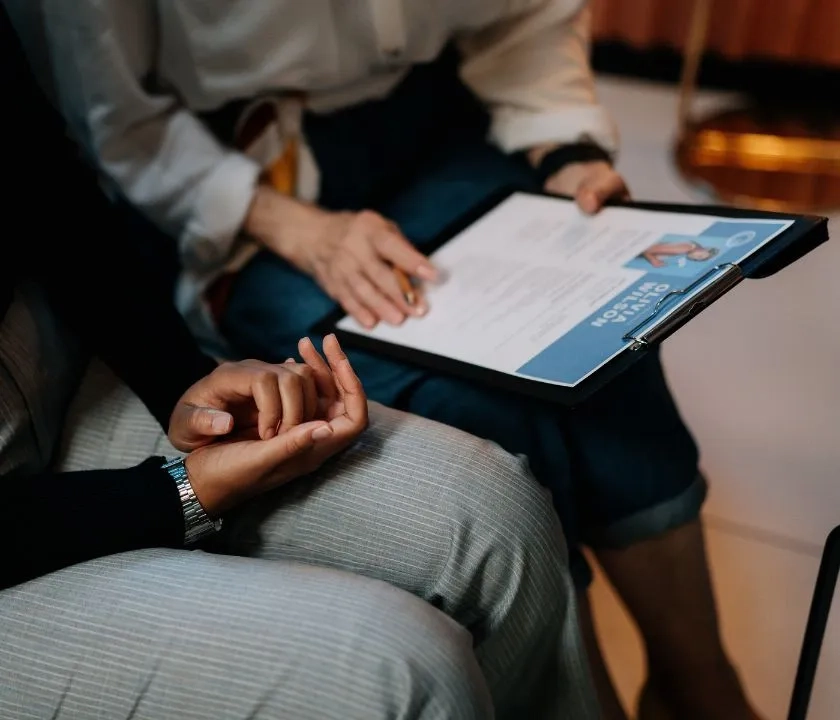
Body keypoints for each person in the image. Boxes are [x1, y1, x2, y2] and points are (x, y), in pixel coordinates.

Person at [7, 2, 763, 717]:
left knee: (604, 342)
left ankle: (699, 682)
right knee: (472, 407)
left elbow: (526, 19)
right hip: (238, 171)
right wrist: (296, 230)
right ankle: (596, 690)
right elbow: (115, 118)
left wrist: (567, 151)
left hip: (428, 119)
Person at [640, 240, 720, 268]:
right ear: (701, 249)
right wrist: (654, 261)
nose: (695, 258)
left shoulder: (686, 248)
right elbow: (647, 250)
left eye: (697, 259)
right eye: (700, 256)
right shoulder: (686, 248)